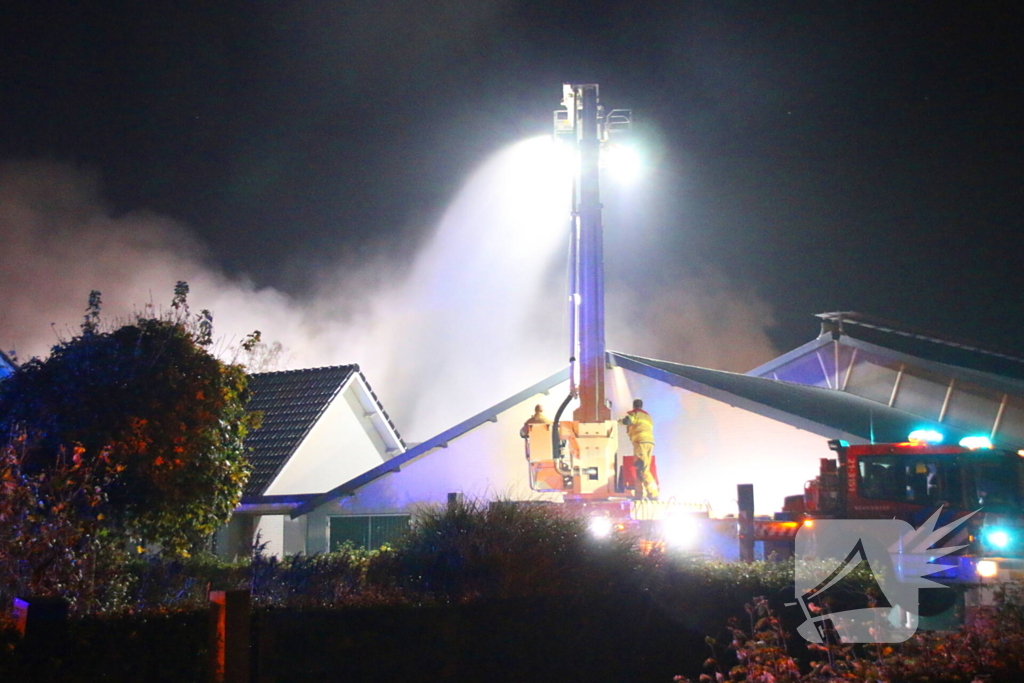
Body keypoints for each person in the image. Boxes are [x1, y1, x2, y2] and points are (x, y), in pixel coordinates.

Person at [620, 398, 659, 500]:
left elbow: (627, 421)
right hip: (649, 443)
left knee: (642, 468)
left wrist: (618, 421)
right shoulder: (647, 416)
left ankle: (653, 493)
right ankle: (639, 495)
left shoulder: (634, 414)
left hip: (640, 442)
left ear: (634, 406)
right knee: (639, 468)